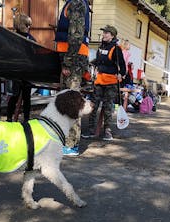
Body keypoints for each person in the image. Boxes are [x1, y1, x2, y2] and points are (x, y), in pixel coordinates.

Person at [55, 0, 91, 156]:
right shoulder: (74, 2)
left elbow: (76, 35)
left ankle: (71, 144)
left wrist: (68, 62)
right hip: (71, 57)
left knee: (72, 101)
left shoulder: (76, 3)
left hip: (73, 59)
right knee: (66, 100)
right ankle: (66, 141)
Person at [82, 25, 126, 141]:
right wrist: (91, 64)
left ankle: (107, 131)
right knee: (94, 105)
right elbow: (98, 60)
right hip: (99, 80)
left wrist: (121, 74)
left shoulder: (116, 49)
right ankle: (91, 129)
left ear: (112, 36)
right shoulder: (101, 46)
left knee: (107, 107)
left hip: (111, 83)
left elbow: (122, 65)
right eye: (104, 32)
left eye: (107, 33)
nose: (104, 34)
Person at [6, 13, 36, 122]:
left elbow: (35, 52)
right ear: (21, 25)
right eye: (27, 25)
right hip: (16, 72)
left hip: (27, 72)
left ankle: (26, 119)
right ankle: (9, 118)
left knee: (26, 98)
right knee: (14, 96)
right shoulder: (13, 37)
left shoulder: (30, 38)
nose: (29, 28)